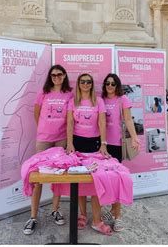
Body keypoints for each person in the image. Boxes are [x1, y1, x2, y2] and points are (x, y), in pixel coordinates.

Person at [23, 65, 73, 235]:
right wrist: (44, 128)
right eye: (53, 75)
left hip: (61, 139)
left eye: (59, 74)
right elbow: (36, 113)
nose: (56, 77)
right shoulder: (43, 93)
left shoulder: (70, 94)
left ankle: (55, 209)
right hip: (44, 139)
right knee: (37, 177)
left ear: (64, 75)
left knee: (58, 177)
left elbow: (71, 116)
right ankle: (33, 216)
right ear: (50, 77)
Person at [66, 73, 112, 236]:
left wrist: (104, 144)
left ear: (92, 84)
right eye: (82, 81)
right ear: (78, 84)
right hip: (77, 143)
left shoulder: (98, 101)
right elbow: (70, 123)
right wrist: (70, 143)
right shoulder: (73, 101)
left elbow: (102, 123)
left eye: (88, 82)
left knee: (95, 181)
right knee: (80, 182)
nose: (85, 84)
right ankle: (83, 214)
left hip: (94, 144)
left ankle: (97, 221)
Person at [100, 73, 141, 232]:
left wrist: (135, 138)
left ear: (117, 86)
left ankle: (117, 217)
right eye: (107, 84)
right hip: (101, 145)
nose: (110, 86)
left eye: (113, 84)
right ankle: (109, 211)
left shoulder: (122, 100)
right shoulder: (101, 99)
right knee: (104, 180)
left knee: (116, 181)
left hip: (115, 145)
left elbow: (128, 120)